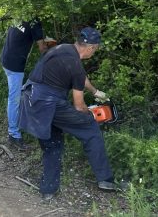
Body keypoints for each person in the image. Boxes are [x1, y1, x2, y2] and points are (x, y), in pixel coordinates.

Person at [19, 27, 115, 201]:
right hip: (48, 102)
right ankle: (106, 180)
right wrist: (90, 115)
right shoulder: (76, 65)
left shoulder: (63, 49)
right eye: (96, 49)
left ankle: (48, 190)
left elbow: (81, 77)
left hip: (31, 98)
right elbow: (79, 106)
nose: (94, 52)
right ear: (91, 47)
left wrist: (94, 91)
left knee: (53, 144)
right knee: (91, 129)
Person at [0, 18, 47, 150]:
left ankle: (20, 122)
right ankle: (13, 134)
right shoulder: (35, 22)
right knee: (14, 99)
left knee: (18, 94)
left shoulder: (20, 14)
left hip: (5, 59)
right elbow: (42, 48)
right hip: (15, 66)